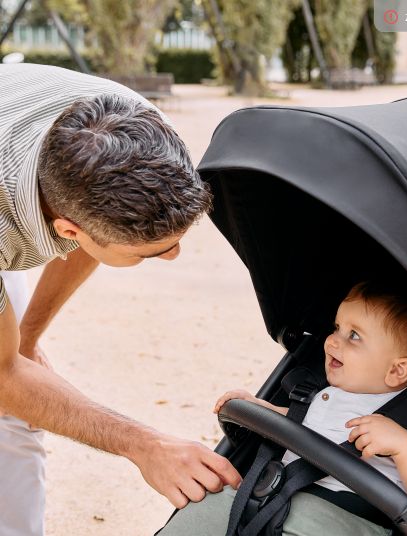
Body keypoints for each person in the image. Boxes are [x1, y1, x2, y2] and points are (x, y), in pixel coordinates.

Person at [0, 63, 240, 536]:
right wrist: (144, 444)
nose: (175, 256)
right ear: (69, 228)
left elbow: (88, 235)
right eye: (151, 253)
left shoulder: (137, 130)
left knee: (16, 418)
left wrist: (25, 341)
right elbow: (2, 376)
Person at [159, 281, 407, 536]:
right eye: (337, 327)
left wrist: (404, 445)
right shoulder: (323, 394)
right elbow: (298, 425)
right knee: (204, 507)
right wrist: (258, 409)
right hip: (273, 498)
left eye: (354, 336)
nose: (331, 340)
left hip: (342, 517)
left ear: (398, 371)